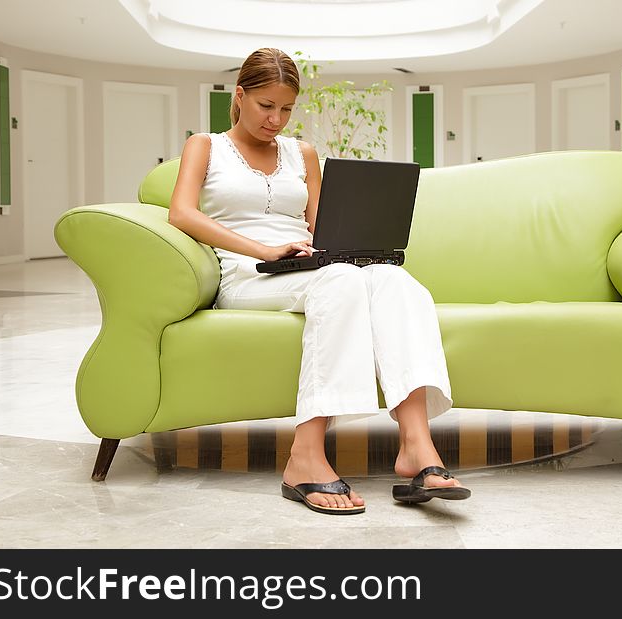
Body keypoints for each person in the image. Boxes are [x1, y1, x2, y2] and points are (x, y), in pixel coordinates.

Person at [168, 48, 470, 515]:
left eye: (286, 109)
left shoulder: (302, 153)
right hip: (248, 274)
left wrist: (346, 247)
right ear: (240, 96)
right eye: (266, 106)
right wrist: (265, 251)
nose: (276, 120)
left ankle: (416, 446)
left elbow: (321, 225)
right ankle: (304, 457)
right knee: (341, 284)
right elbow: (182, 214)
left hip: (310, 267)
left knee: (396, 281)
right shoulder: (206, 146)